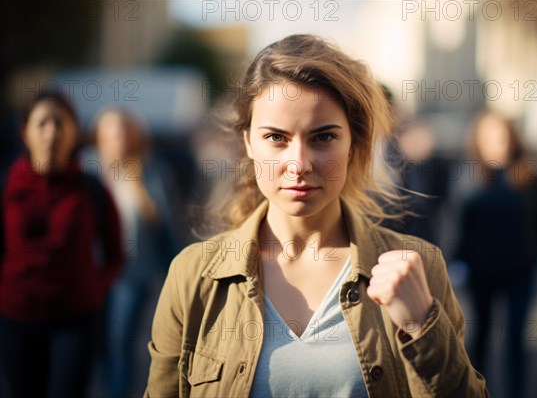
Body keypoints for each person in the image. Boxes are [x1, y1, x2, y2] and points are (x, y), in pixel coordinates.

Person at [145, 34, 489, 397]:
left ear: (354, 143)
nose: (300, 164)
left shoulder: (419, 268)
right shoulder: (193, 277)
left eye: (323, 137)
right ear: (247, 141)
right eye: (276, 138)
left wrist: (422, 327)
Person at [0, 92, 124, 398]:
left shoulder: (90, 189)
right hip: (16, 320)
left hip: (75, 321)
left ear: (74, 132)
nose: (51, 132)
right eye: (42, 123)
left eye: (60, 123)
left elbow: (116, 253)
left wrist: (95, 289)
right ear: (25, 132)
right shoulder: (6, 186)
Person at [456, 111, 537, 398]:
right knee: (480, 335)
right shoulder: (469, 177)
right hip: (481, 272)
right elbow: (458, 226)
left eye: (503, 135)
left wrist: (533, 256)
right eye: (490, 136)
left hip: (520, 270)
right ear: (478, 141)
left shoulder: (528, 175)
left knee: (515, 338)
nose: (499, 142)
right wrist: (461, 261)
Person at [89, 107, 178, 397]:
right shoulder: (88, 170)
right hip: (88, 275)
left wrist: (137, 186)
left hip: (132, 274)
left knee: (120, 340)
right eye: (110, 134)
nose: (118, 140)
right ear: (98, 137)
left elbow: (163, 223)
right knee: (97, 343)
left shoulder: (148, 170)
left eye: (123, 133)